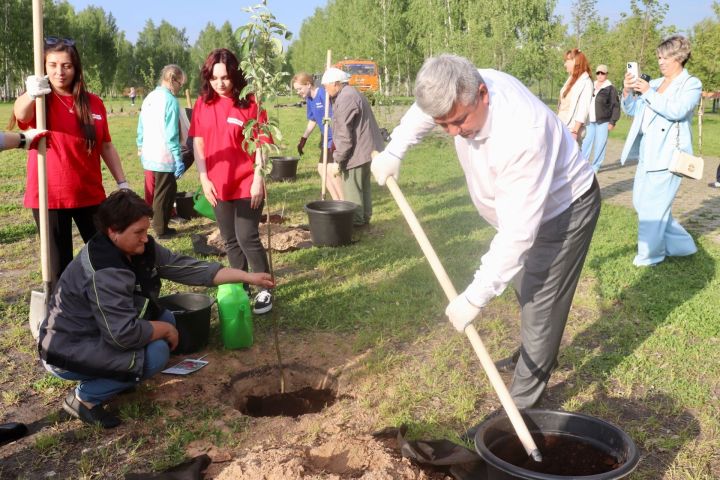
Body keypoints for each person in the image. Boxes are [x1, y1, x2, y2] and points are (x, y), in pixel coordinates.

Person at [371, 54, 600, 412]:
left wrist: (474, 298)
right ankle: (530, 356)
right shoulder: (458, 88)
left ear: (483, 94)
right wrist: (394, 150)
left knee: (541, 301)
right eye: (442, 124)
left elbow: (517, 236)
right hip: (522, 213)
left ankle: (522, 408)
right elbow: (423, 112)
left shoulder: (522, 133)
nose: (451, 133)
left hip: (564, 211)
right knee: (527, 287)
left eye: (458, 121)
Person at [37, 189, 275, 428]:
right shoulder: (104, 272)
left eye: (146, 230)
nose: (145, 238)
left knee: (167, 318)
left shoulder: (139, 247)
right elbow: (122, 334)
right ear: (113, 232)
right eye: (138, 232)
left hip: (99, 332)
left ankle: (120, 376)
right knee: (156, 354)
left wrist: (247, 276)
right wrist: (162, 330)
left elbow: (188, 268)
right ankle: (84, 398)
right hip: (67, 351)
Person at [10, 36, 129, 284]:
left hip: (90, 194)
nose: (59, 72)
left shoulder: (93, 102)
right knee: (59, 268)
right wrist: (31, 94)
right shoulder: (41, 100)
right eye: (52, 65)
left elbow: (106, 145)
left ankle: (111, 308)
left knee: (108, 257)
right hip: (50, 197)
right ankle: (63, 316)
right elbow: (20, 113)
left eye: (66, 65)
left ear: (76, 68)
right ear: (44, 67)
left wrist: (122, 183)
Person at [189, 48, 274, 314]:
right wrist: (204, 177)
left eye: (225, 77)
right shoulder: (203, 104)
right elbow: (198, 143)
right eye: (214, 78)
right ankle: (241, 285)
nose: (220, 83)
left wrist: (259, 177)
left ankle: (265, 288)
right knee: (230, 240)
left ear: (235, 75)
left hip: (247, 181)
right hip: (217, 183)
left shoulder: (250, 102)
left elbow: (261, 143)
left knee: (247, 236)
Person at [620, 35, 700, 267]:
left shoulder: (691, 84)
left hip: (668, 157)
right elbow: (634, 110)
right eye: (658, 57)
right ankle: (682, 245)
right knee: (641, 204)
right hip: (647, 154)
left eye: (666, 57)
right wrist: (627, 92)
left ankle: (649, 257)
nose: (660, 62)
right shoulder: (653, 83)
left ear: (680, 57)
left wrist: (648, 93)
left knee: (653, 210)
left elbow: (677, 110)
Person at [321, 67, 384, 227]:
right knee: (364, 186)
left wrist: (338, 160)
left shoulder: (346, 98)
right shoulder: (351, 93)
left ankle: (357, 224)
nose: (325, 89)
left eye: (326, 86)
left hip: (357, 152)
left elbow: (344, 135)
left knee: (352, 190)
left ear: (336, 84)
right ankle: (365, 218)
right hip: (368, 150)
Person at [137, 65, 188, 238]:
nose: (180, 87)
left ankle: (163, 224)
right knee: (163, 193)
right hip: (164, 155)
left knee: (167, 189)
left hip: (149, 152)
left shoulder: (149, 97)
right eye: (180, 83)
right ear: (173, 80)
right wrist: (177, 157)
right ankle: (160, 229)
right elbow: (171, 133)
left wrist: (140, 144)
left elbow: (141, 125)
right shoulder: (170, 101)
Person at [292, 72, 344, 200]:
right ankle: (336, 200)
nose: (298, 92)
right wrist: (304, 138)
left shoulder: (323, 94)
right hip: (326, 138)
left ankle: (343, 201)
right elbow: (313, 119)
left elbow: (337, 114)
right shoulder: (309, 99)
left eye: (299, 89)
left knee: (333, 171)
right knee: (322, 169)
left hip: (335, 137)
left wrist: (336, 138)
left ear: (308, 84)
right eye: (296, 90)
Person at [582, 64, 620, 172]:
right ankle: (583, 165)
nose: (600, 75)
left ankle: (595, 167)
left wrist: (612, 121)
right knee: (585, 143)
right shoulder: (591, 85)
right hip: (590, 121)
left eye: (602, 73)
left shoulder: (610, 88)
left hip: (603, 121)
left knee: (600, 145)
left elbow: (616, 106)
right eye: (598, 73)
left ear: (606, 74)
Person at [557, 48, 594, 146]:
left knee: (571, 160)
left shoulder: (586, 82)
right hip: (562, 125)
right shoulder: (570, 79)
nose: (565, 64)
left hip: (572, 130)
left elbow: (583, 109)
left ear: (575, 61)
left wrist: (575, 132)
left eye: (567, 61)